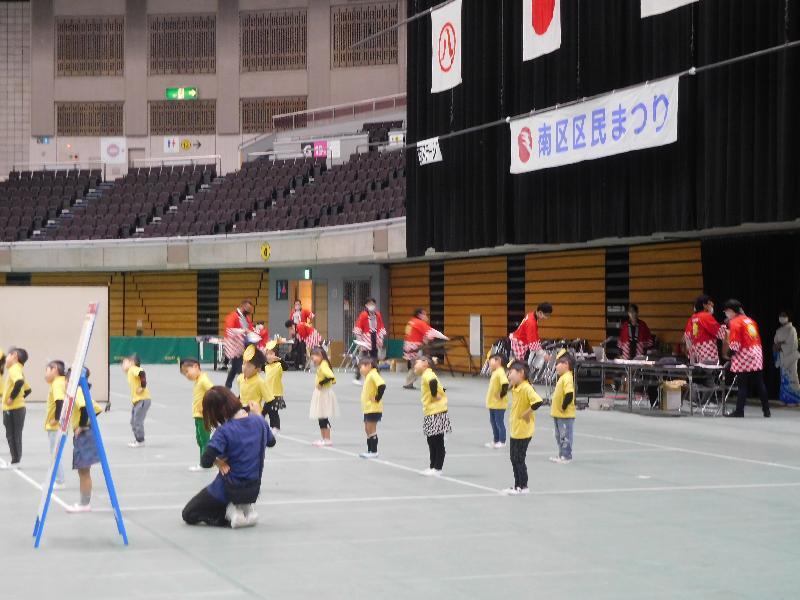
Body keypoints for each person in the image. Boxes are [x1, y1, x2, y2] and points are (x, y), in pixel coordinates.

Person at [182, 386, 276, 528]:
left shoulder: (225, 431)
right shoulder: (259, 422)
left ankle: (228, 514)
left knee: (189, 513)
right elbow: (271, 442)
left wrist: (218, 462)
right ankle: (245, 509)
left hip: (229, 487)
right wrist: (260, 415)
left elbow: (205, 460)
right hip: (253, 488)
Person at [64, 368, 103, 513]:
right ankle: (83, 502)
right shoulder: (81, 391)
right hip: (85, 434)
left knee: (84, 471)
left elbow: (87, 408)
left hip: (84, 436)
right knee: (83, 471)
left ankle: (84, 504)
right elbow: (97, 409)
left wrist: (82, 425)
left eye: (65, 380)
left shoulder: (78, 391)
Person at [723, 300, 771, 418]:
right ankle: (766, 410)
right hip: (757, 352)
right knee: (760, 383)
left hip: (744, 355)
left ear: (731, 311)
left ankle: (739, 411)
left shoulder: (735, 322)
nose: (726, 314)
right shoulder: (750, 320)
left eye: (726, 311)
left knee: (742, 385)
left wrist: (728, 355)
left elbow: (735, 344)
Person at [504, 360, 543, 495]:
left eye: (511, 373)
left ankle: (523, 486)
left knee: (518, 458)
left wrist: (526, 413)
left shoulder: (526, 387)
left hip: (523, 430)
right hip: (516, 429)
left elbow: (538, 401)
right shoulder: (516, 387)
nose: (509, 376)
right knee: (513, 458)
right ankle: (517, 485)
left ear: (521, 373)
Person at [415, 355, 451, 476]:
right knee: (431, 440)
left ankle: (437, 468)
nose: (415, 365)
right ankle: (432, 466)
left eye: (417, 362)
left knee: (437, 440)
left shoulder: (428, 374)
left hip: (437, 411)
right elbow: (441, 387)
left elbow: (433, 382)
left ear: (425, 364)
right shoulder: (426, 374)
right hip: (431, 411)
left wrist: (435, 395)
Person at [180, 358, 214, 472]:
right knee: (200, 440)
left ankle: (205, 464)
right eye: (184, 374)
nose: (187, 375)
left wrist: (207, 406)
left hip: (204, 416)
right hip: (198, 416)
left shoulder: (204, 380)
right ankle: (204, 461)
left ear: (195, 366)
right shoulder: (198, 380)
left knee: (204, 440)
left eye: (187, 371)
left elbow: (213, 392)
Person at [403, 309, 448, 390]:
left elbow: (417, 334)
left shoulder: (411, 322)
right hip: (415, 347)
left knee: (415, 365)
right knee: (423, 364)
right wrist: (444, 337)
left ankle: (408, 383)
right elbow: (431, 332)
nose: (426, 316)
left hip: (408, 346)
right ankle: (430, 383)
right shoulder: (419, 322)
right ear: (419, 315)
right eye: (424, 314)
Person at [2, 347, 30, 469]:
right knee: (14, 434)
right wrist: (20, 399)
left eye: (8, 356)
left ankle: (15, 461)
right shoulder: (18, 370)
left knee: (12, 435)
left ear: (14, 356)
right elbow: (28, 389)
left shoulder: (14, 369)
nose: (6, 358)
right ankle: (16, 460)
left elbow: (19, 383)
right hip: (17, 408)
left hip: (14, 409)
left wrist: (12, 399)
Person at [549, 350, 576, 464]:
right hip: (558, 414)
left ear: (566, 365)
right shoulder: (562, 377)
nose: (556, 367)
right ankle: (561, 454)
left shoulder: (567, 378)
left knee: (565, 436)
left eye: (558, 364)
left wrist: (564, 406)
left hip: (565, 414)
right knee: (559, 435)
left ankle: (566, 455)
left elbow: (569, 394)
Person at [44, 360, 67, 487]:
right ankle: (56, 479)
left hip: (55, 427)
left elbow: (60, 401)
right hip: (57, 426)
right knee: (55, 452)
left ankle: (59, 481)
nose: (45, 374)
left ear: (55, 369)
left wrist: (57, 418)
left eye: (47, 370)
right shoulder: (59, 382)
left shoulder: (57, 383)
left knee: (55, 453)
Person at [309, 346, 338, 447]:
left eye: (317, 355)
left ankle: (327, 439)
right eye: (313, 355)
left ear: (322, 356)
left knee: (323, 417)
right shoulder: (323, 364)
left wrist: (321, 383)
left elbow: (331, 377)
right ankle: (324, 439)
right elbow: (333, 380)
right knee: (321, 417)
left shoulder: (324, 365)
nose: (314, 357)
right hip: (322, 393)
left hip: (323, 394)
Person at [352, 298, 387, 384]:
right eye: (369, 304)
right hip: (365, 339)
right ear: (366, 305)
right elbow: (358, 329)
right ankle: (357, 377)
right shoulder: (363, 315)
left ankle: (376, 377)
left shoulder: (378, 315)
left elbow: (381, 327)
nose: (371, 306)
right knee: (363, 359)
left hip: (375, 337)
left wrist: (381, 339)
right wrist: (360, 343)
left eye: (373, 304)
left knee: (374, 359)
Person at [684, 295, 726, 364]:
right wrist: (727, 327)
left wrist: (691, 354)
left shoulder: (692, 318)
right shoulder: (705, 316)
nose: (712, 305)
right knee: (710, 373)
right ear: (704, 305)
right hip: (708, 352)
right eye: (709, 303)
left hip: (696, 353)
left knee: (699, 373)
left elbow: (687, 336)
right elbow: (719, 332)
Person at [358, 357, 386, 459]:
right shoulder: (369, 376)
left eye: (362, 366)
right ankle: (370, 449)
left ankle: (374, 451)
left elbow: (382, 385)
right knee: (367, 428)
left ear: (369, 365)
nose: (360, 369)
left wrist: (377, 398)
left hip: (373, 408)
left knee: (371, 429)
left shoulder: (373, 374)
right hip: (368, 408)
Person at [223, 300, 255, 388]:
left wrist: (253, 333)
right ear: (243, 306)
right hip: (233, 345)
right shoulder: (232, 316)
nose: (249, 311)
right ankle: (243, 391)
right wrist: (243, 331)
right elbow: (229, 330)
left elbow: (250, 329)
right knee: (239, 369)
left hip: (242, 344)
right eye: (248, 309)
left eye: (250, 309)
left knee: (234, 368)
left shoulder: (247, 318)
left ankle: (227, 386)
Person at [122, 354, 151, 448]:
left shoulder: (133, 369)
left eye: (124, 362)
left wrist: (142, 387)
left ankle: (140, 441)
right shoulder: (130, 372)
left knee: (137, 421)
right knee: (133, 421)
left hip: (142, 400)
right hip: (137, 401)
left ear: (132, 363)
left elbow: (142, 373)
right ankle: (138, 439)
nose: (122, 365)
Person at [237, 346, 272, 417]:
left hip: (254, 414)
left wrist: (262, 414)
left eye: (249, 366)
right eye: (243, 363)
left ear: (258, 369)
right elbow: (241, 394)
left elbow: (270, 401)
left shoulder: (260, 382)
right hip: (242, 413)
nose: (245, 368)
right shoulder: (240, 378)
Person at [773, 310, 800, 405]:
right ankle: (785, 399)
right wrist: (777, 346)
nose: (782, 317)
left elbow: (792, 344)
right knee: (784, 379)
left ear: (788, 317)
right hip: (782, 356)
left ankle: (795, 399)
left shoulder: (792, 329)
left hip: (791, 356)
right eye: (780, 315)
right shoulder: (779, 330)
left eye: (784, 315)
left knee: (792, 377)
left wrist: (780, 345)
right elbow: (776, 342)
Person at [484, 353, 510, 449]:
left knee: (499, 422)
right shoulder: (495, 372)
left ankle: (502, 441)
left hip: (499, 404)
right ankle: (496, 440)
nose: (489, 362)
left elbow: (505, 384)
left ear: (498, 361)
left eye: (491, 360)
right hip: (492, 403)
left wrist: (502, 394)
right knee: (493, 422)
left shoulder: (500, 372)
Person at [263, 341, 287, 432]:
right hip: (268, 394)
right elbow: (258, 366)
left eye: (271, 354)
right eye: (267, 354)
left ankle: (276, 427)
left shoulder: (279, 365)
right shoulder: (266, 366)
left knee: (273, 412)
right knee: (268, 412)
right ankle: (272, 427)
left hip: (276, 394)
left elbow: (286, 367)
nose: (269, 356)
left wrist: (279, 359)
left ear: (276, 355)